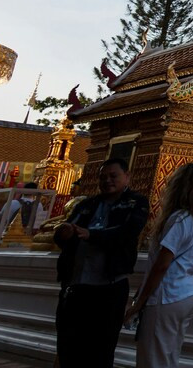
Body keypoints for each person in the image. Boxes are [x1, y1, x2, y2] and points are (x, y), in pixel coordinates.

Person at [54, 158, 149, 368]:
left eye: (113, 176)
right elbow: (68, 230)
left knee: (101, 350)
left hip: (109, 286)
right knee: (68, 346)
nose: (107, 181)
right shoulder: (87, 204)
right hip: (76, 284)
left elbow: (128, 232)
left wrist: (92, 235)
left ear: (127, 177)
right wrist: (64, 233)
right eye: (103, 177)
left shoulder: (136, 203)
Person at [126, 162, 193, 368]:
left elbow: (162, 264)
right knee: (168, 355)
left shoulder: (180, 219)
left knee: (153, 360)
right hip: (186, 294)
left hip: (168, 295)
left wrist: (140, 302)